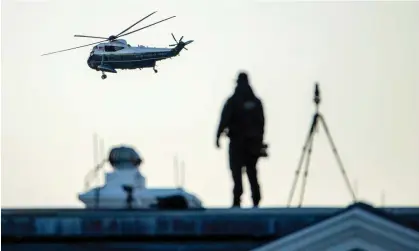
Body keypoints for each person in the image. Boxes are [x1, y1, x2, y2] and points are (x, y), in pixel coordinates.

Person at [216, 71, 266, 208]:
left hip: (240, 144)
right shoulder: (254, 102)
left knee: (240, 174)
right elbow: (261, 123)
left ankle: (240, 200)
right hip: (249, 144)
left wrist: (218, 136)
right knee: (249, 173)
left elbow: (224, 120)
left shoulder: (234, 101)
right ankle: (252, 200)